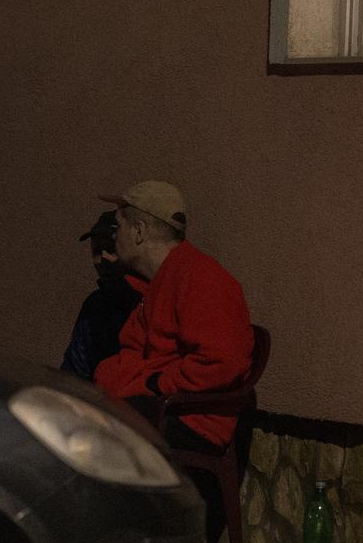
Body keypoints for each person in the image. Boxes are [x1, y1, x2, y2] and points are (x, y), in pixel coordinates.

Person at [93, 180, 253, 454]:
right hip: (158, 407)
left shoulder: (202, 279)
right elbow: (134, 352)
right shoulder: (157, 282)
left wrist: (156, 384)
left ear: (139, 231)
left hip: (188, 419)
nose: (113, 235)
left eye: (117, 226)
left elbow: (223, 361)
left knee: (86, 438)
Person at [62, 210, 145, 380]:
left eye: (111, 249)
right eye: (97, 251)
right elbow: (75, 370)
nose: (103, 259)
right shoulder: (96, 304)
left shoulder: (148, 301)